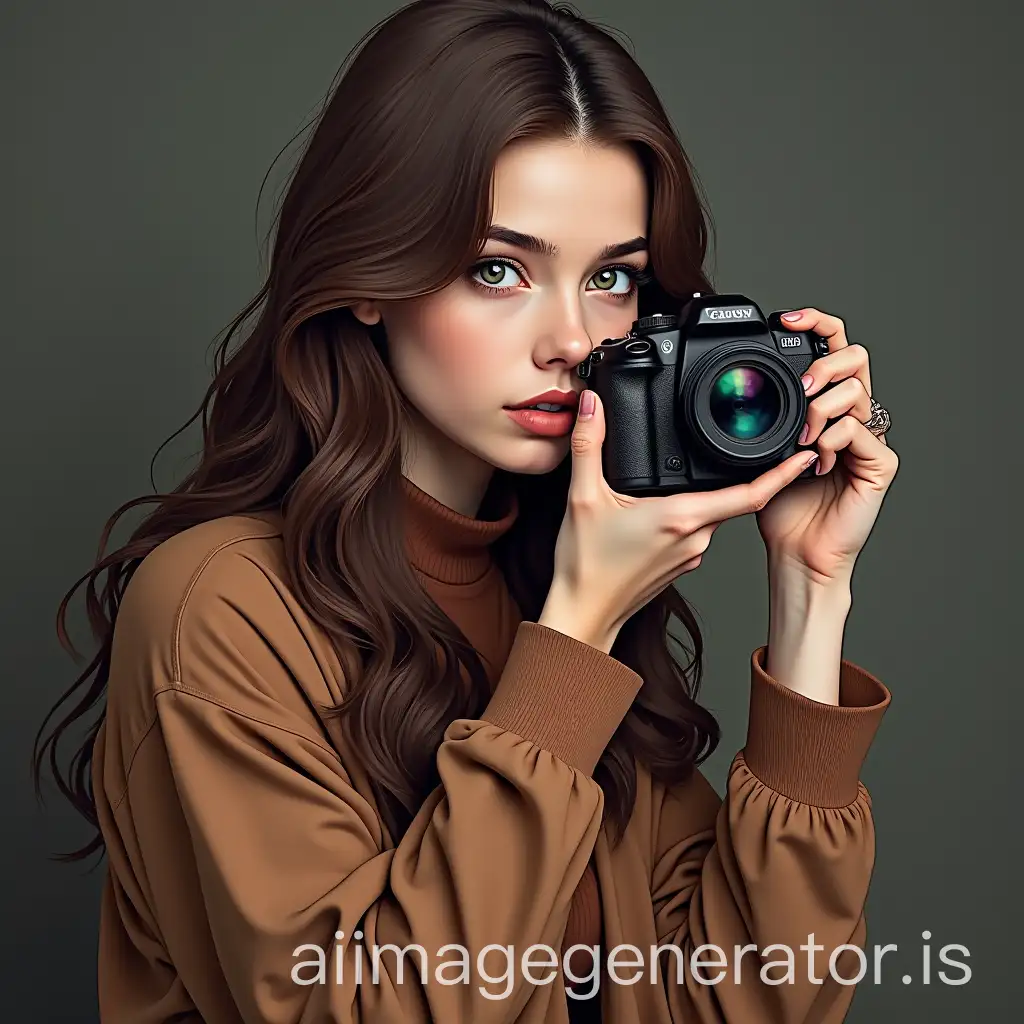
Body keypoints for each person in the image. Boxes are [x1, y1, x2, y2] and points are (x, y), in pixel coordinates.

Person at [33, 1, 899, 1021]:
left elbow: (741, 1003)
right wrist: (574, 636)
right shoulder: (221, 603)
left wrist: (808, 589)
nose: (570, 338)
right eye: (499, 269)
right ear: (369, 275)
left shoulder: (553, 574)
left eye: (612, 278)